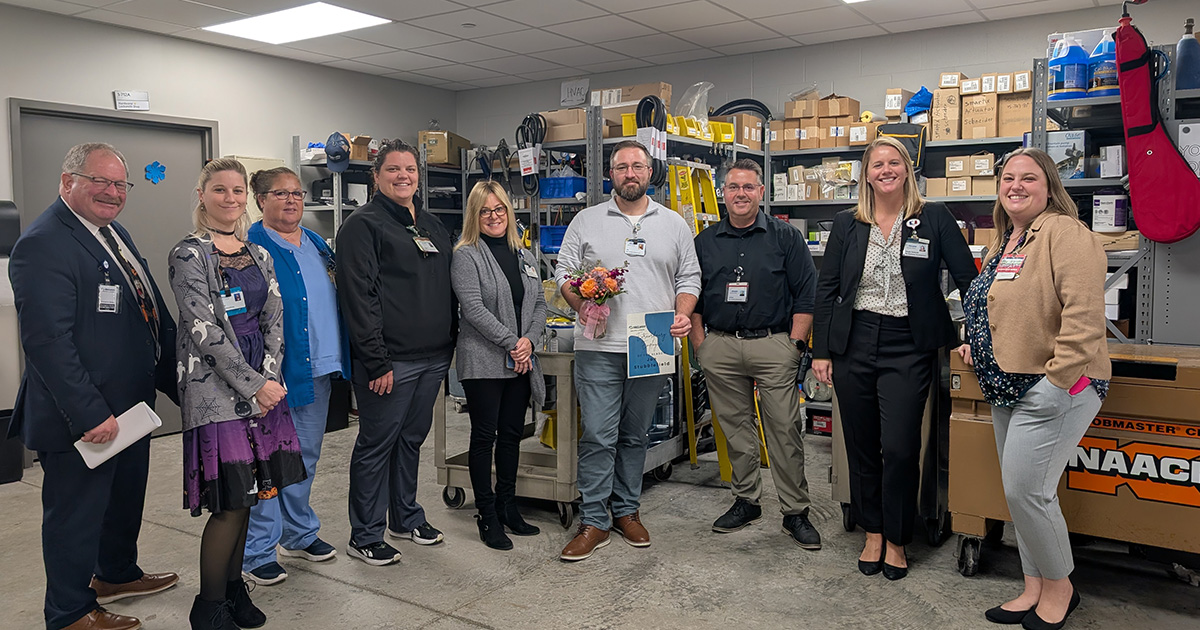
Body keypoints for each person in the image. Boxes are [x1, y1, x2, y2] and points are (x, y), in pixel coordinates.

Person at [9, 143, 180, 630]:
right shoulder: (43, 243)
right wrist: (88, 412)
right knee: (74, 518)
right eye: (99, 181)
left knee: (124, 501)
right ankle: (69, 612)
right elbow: (47, 342)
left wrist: (173, 381)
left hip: (130, 407)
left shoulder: (111, 231)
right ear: (68, 182)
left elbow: (148, 311)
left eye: (120, 184)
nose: (112, 192)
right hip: (82, 415)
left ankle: (116, 574)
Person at [812, 137, 976, 580]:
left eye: (893, 162)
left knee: (901, 448)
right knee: (862, 446)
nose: (885, 169)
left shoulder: (935, 219)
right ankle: (873, 532)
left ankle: (899, 538)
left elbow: (969, 280)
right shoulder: (847, 225)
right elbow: (826, 291)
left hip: (910, 343)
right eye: (876, 164)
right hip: (855, 342)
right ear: (866, 174)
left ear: (907, 168)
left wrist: (973, 334)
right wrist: (821, 351)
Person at [959, 148, 1108, 630]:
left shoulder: (1066, 235)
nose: (1016, 185)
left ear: (1049, 188)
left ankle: (1061, 588)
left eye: (1029, 178)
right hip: (1007, 383)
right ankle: (1033, 584)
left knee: (1029, 490)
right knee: (1019, 491)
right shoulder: (1005, 238)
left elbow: (1084, 320)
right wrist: (975, 341)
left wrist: (1056, 383)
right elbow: (998, 305)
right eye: (1008, 178)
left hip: (1056, 385)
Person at [168, 158, 306, 630]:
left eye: (237, 191)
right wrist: (253, 384)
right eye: (219, 190)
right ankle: (207, 608)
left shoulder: (258, 253)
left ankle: (232, 590)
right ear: (202, 195)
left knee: (250, 495)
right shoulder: (188, 254)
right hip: (215, 389)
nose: (230, 199)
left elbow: (273, 319)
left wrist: (269, 377)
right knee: (229, 502)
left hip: (262, 385)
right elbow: (204, 329)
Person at [554, 140, 701, 562]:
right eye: (621, 167)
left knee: (635, 435)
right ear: (611, 175)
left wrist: (682, 314)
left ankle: (627, 510)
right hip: (598, 345)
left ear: (650, 172)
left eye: (638, 166)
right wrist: (582, 305)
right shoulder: (586, 220)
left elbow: (689, 278)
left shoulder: (673, 223)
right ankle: (594, 520)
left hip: (651, 344)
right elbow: (564, 271)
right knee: (599, 435)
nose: (630, 173)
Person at [690, 159, 821, 550]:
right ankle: (746, 500)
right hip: (721, 345)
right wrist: (702, 345)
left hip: (773, 344)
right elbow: (691, 294)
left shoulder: (786, 237)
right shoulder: (705, 241)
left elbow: (807, 295)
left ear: (761, 192)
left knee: (783, 429)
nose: (741, 194)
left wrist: (795, 346)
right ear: (723, 193)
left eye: (748, 187)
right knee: (735, 430)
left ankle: (795, 511)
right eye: (733, 187)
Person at [337, 139, 457, 566]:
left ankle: (404, 517)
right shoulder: (362, 226)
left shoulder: (430, 223)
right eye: (393, 169)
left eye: (409, 169)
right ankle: (365, 533)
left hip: (433, 357)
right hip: (390, 362)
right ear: (376, 176)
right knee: (377, 443)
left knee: (411, 440)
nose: (403, 176)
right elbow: (359, 297)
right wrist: (376, 359)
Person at [241, 167, 352, 584]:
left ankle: (299, 532)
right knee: (268, 461)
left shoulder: (318, 244)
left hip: (318, 367)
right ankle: (257, 550)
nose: (291, 201)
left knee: (305, 455)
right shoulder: (251, 248)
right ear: (260, 200)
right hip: (273, 374)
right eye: (280, 194)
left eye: (297, 193)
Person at [450, 180, 547, 551]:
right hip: (484, 361)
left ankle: (508, 506)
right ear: (475, 215)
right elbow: (472, 309)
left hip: (519, 359)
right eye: (485, 211)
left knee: (511, 436)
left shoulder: (522, 254)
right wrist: (513, 343)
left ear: (509, 211)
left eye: (500, 209)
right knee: (484, 437)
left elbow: (538, 303)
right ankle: (486, 514)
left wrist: (529, 342)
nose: (494, 217)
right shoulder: (466, 255)